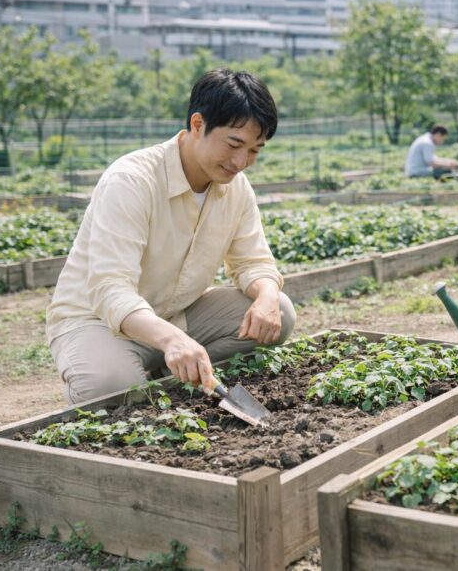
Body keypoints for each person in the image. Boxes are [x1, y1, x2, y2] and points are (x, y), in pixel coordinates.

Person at [46, 69, 297, 404]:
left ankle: (171, 374)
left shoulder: (234, 187)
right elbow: (110, 288)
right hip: (98, 321)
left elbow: (252, 261)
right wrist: (170, 339)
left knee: (279, 311)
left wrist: (266, 295)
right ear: (197, 124)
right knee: (112, 386)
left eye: (255, 150)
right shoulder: (132, 181)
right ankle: (111, 366)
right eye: (234, 144)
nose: (241, 162)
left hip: (176, 315)